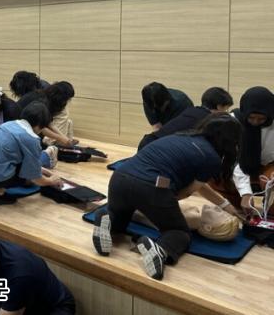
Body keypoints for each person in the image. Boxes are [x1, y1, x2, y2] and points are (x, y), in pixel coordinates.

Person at [92, 113, 242, 280]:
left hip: (120, 176)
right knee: (179, 232)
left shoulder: (181, 136)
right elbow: (188, 191)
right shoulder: (212, 158)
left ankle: (107, 216)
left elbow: (200, 186)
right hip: (151, 187)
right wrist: (163, 203)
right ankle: (160, 250)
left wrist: (225, 205)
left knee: (120, 219)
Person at [0, 102, 63, 206]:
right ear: (40, 125)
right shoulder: (32, 139)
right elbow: (34, 177)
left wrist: (45, 171)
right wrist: (51, 181)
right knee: (23, 176)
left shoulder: (9, 124)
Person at [138, 87, 233, 150]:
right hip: (159, 149)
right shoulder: (209, 121)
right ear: (219, 106)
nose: (225, 112)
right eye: (225, 109)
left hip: (148, 142)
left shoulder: (191, 110)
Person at [228, 86, 274, 215]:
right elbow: (234, 160)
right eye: (251, 117)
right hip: (238, 167)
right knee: (218, 182)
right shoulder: (232, 121)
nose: (255, 122)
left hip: (269, 166)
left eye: (261, 119)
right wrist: (246, 193)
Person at [42, 81, 76, 147]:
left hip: (47, 122)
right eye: (66, 99)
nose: (67, 101)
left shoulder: (50, 94)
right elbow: (43, 126)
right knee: (64, 116)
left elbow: (50, 124)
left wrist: (63, 137)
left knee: (68, 121)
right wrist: (61, 137)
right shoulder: (43, 102)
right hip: (40, 127)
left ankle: (66, 141)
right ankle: (59, 143)